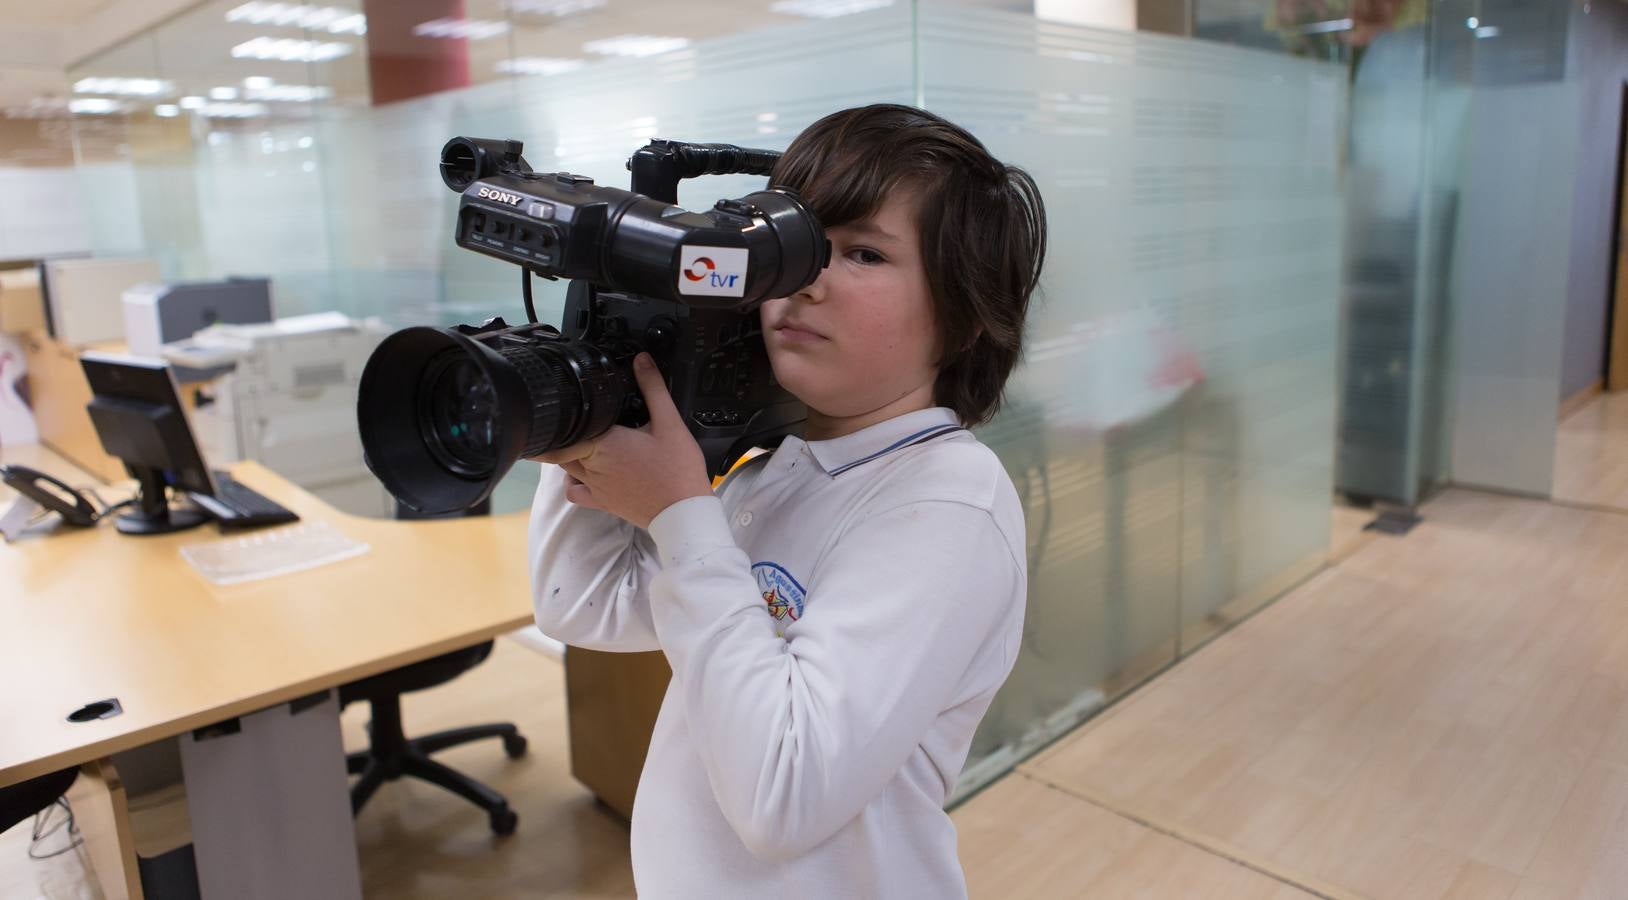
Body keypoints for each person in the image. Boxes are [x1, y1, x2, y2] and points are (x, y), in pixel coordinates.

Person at [530, 103, 1047, 898]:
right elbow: (582, 601)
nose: (807, 281)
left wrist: (679, 514)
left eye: (864, 254)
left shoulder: (949, 503)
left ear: (968, 315)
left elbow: (783, 797)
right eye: (796, 246)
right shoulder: (776, 470)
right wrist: (597, 394)